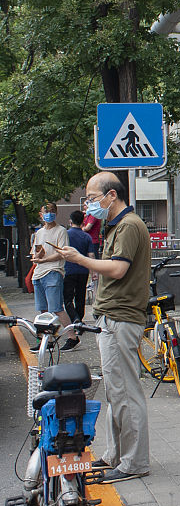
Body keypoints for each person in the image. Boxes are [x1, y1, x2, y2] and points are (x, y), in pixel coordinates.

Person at [55, 172, 151, 483]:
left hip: (121, 317)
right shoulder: (116, 225)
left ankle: (134, 462)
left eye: (93, 198)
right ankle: (115, 455)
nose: (89, 204)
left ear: (112, 195)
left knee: (125, 392)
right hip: (112, 317)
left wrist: (80, 259)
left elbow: (118, 269)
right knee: (115, 391)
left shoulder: (128, 225)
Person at [31, 202, 78, 349]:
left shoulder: (61, 231)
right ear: (41, 215)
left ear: (56, 213)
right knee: (43, 310)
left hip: (53, 272)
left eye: (52, 211)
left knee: (57, 308)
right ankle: (47, 340)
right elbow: (35, 252)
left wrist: (43, 260)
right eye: (46, 212)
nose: (49, 214)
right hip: (38, 274)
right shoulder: (39, 233)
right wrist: (37, 257)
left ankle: (72, 337)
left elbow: (61, 253)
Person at [63, 211, 92, 329]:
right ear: (82, 221)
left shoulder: (66, 235)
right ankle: (79, 320)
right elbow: (91, 255)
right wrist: (93, 271)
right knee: (80, 297)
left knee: (67, 298)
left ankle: (74, 318)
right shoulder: (87, 236)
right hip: (83, 270)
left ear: (70, 221)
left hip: (68, 270)